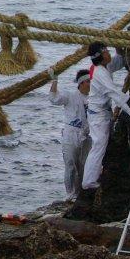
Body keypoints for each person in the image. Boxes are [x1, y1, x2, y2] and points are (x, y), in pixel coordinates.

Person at [81, 42, 130, 192]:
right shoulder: (100, 74)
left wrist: (118, 47)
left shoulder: (102, 67)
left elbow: (119, 61)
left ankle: (93, 176)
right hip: (98, 116)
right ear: (100, 57)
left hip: (102, 113)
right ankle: (88, 182)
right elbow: (115, 94)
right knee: (98, 146)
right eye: (106, 52)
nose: (109, 54)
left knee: (101, 146)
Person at [49, 68, 92, 201]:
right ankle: (70, 193)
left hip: (88, 135)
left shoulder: (94, 98)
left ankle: (81, 193)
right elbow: (54, 99)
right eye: (88, 81)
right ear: (81, 83)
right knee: (70, 164)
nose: (91, 84)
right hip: (71, 134)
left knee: (84, 165)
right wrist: (54, 81)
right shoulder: (70, 95)